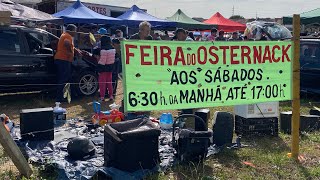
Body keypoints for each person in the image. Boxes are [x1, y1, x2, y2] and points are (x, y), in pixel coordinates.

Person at [54, 24, 79, 102]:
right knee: (64, 78)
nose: (76, 32)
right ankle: (59, 98)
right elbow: (67, 43)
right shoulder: (68, 36)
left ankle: (63, 96)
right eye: (75, 30)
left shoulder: (64, 34)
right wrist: (70, 52)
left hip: (61, 59)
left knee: (64, 78)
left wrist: (75, 50)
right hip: (64, 59)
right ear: (71, 30)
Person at [97, 36, 115, 102]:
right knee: (109, 83)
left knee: (102, 83)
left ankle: (102, 97)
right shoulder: (113, 49)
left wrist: (99, 69)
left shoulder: (103, 50)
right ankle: (111, 96)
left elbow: (102, 61)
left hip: (103, 69)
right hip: (110, 68)